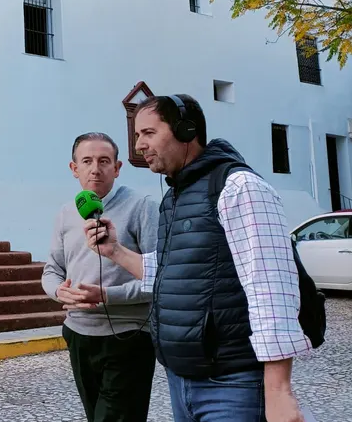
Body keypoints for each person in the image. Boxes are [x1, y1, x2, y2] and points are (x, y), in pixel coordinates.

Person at [82, 94, 310, 422]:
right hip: (182, 382)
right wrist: (115, 251)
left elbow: (271, 286)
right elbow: (175, 273)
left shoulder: (238, 187)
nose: (139, 146)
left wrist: (278, 391)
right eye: (136, 136)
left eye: (148, 133)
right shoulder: (175, 197)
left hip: (233, 385)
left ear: (187, 131)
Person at [41, 132, 159, 422]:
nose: (96, 168)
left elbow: (161, 278)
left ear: (117, 168)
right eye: (87, 161)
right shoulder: (67, 213)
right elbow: (52, 269)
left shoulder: (142, 206)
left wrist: (108, 296)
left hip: (128, 337)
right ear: (74, 169)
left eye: (104, 161)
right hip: (79, 334)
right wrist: (59, 292)